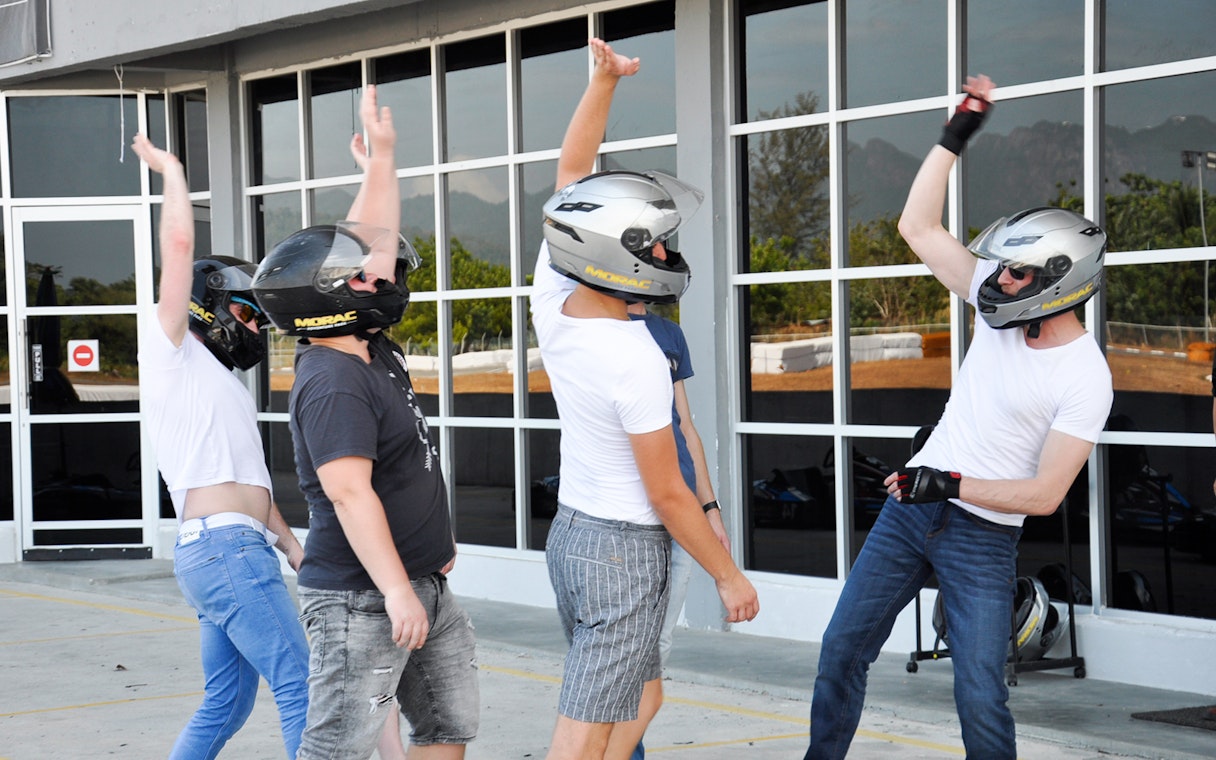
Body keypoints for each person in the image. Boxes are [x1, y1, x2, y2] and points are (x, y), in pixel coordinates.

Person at [805, 75, 1113, 760]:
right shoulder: (997, 303)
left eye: (1015, 275)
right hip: (911, 510)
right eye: (999, 270)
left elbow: (1044, 495)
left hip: (982, 535)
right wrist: (957, 133)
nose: (997, 281)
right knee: (841, 651)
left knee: (979, 689)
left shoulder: (1086, 376)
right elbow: (916, 226)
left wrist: (948, 483)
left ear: (1061, 280)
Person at [534, 38, 758, 760]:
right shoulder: (633, 353)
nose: (665, 255)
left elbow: (573, 178)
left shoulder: (557, 295)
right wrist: (728, 576)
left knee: (641, 695)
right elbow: (666, 492)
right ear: (615, 255)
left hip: (574, 534)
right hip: (623, 550)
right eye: (654, 245)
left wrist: (603, 83)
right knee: (585, 729)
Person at [251, 84, 478, 760]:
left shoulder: (368, 350)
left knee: (445, 730)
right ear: (322, 300)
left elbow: (366, 245)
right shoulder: (332, 379)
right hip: (361, 601)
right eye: (361, 282)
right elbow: (351, 495)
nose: (380, 280)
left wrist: (381, 161)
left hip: (423, 584)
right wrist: (396, 591)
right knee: (338, 750)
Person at [133, 133, 311, 759]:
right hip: (224, 548)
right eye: (246, 313)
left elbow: (252, 482)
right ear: (209, 308)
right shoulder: (170, 355)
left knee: (227, 701)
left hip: (236, 544)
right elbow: (179, 247)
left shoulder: (224, 385)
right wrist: (173, 173)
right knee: (302, 686)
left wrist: (293, 548)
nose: (257, 326)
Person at [624, 301, 729, 760]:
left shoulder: (669, 333)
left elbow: (685, 426)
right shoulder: (595, 324)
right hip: (630, 513)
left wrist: (710, 508)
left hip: (682, 510)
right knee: (622, 649)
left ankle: (629, 751)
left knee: (657, 647)